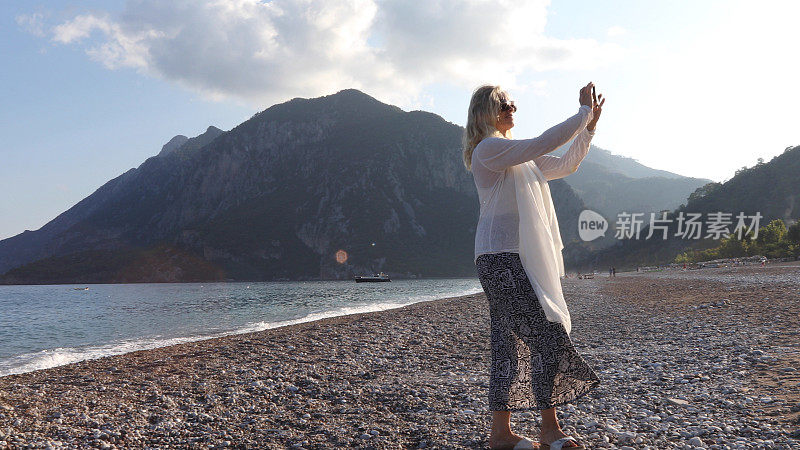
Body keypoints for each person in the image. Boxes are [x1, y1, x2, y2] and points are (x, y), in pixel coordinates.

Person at [465, 83, 604, 449]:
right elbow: (543, 142)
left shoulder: (516, 156)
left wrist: (588, 128)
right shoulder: (489, 149)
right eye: (504, 104)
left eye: (512, 102)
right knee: (546, 336)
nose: (513, 107)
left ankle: (501, 435)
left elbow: (565, 164)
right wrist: (582, 113)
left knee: (508, 343)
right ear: (486, 112)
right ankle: (549, 429)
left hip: (510, 256)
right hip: (500, 257)